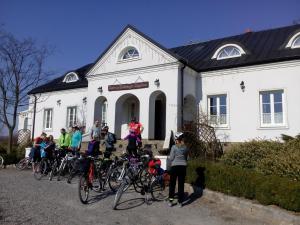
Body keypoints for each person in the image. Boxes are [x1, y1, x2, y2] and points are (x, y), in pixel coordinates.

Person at [167, 132, 189, 208]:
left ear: (176, 139)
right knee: (181, 185)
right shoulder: (185, 147)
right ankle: (180, 202)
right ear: (182, 139)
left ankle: (171, 201)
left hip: (175, 167)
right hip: (183, 167)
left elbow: (171, 158)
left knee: (172, 185)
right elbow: (187, 158)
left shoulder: (174, 147)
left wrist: (169, 158)